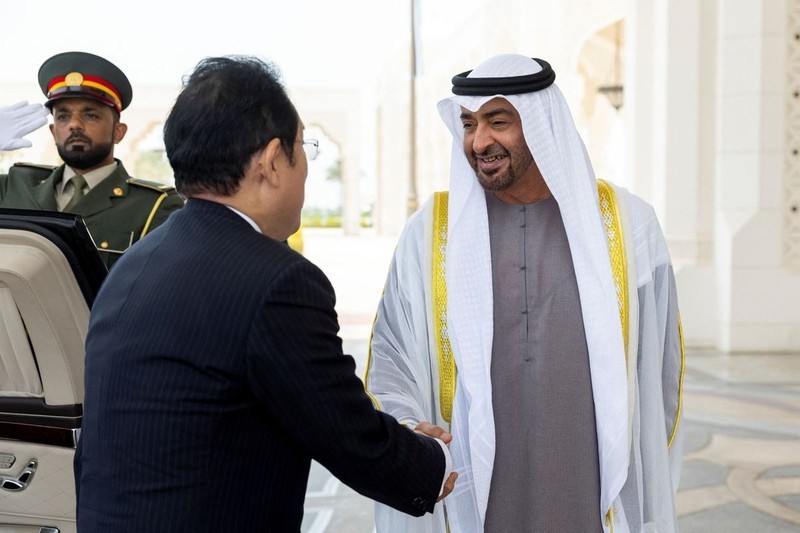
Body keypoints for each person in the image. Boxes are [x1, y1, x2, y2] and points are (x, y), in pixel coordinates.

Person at [75, 55, 456, 532]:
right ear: (273, 160)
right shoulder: (277, 281)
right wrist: (433, 461)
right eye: (304, 149)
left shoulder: (135, 262)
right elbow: (347, 434)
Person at [365, 53, 684, 532]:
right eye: (470, 124)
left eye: (499, 121)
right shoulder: (431, 232)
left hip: (589, 496)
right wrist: (408, 430)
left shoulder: (627, 227)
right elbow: (390, 355)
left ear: (540, 122)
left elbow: (662, 371)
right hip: (471, 495)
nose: (480, 141)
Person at [0, 51, 184, 268]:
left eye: (90, 115)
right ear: (53, 131)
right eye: (63, 116)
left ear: (118, 132)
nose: (74, 124)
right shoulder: (15, 184)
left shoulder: (154, 205)